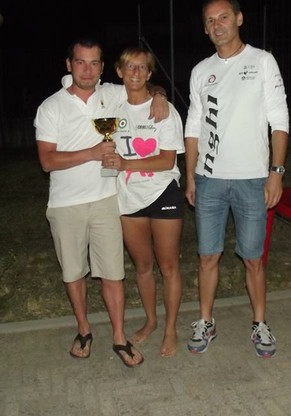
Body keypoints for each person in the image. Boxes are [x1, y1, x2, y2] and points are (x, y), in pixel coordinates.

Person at [34, 37, 169, 368]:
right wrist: (92, 153)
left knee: (113, 273)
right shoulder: (51, 107)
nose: (87, 70)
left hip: (107, 199)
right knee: (74, 273)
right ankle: (84, 330)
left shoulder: (111, 93)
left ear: (103, 67)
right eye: (80, 62)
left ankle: (119, 337)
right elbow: (47, 161)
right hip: (66, 203)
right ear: (69, 65)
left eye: (94, 63)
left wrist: (160, 95)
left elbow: (141, 82)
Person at [183, 0, 289, 358]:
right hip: (209, 179)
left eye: (223, 17)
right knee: (207, 257)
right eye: (210, 21)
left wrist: (276, 172)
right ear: (205, 28)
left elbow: (279, 119)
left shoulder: (262, 62)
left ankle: (260, 323)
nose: (217, 25)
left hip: (252, 179)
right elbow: (193, 125)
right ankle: (205, 321)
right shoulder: (201, 71)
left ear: (239, 19)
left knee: (253, 258)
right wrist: (190, 174)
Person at [101, 46, 185, 358]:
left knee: (169, 266)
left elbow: (166, 161)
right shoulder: (110, 104)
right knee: (143, 266)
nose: (135, 73)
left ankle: (171, 328)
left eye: (142, 68)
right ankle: (151, 320)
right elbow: (74, 81)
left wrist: (126, 164)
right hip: (127, 198)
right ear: (118, 71)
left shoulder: (164, 109)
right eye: (129, 67)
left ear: (150, 73)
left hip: (162, 193)